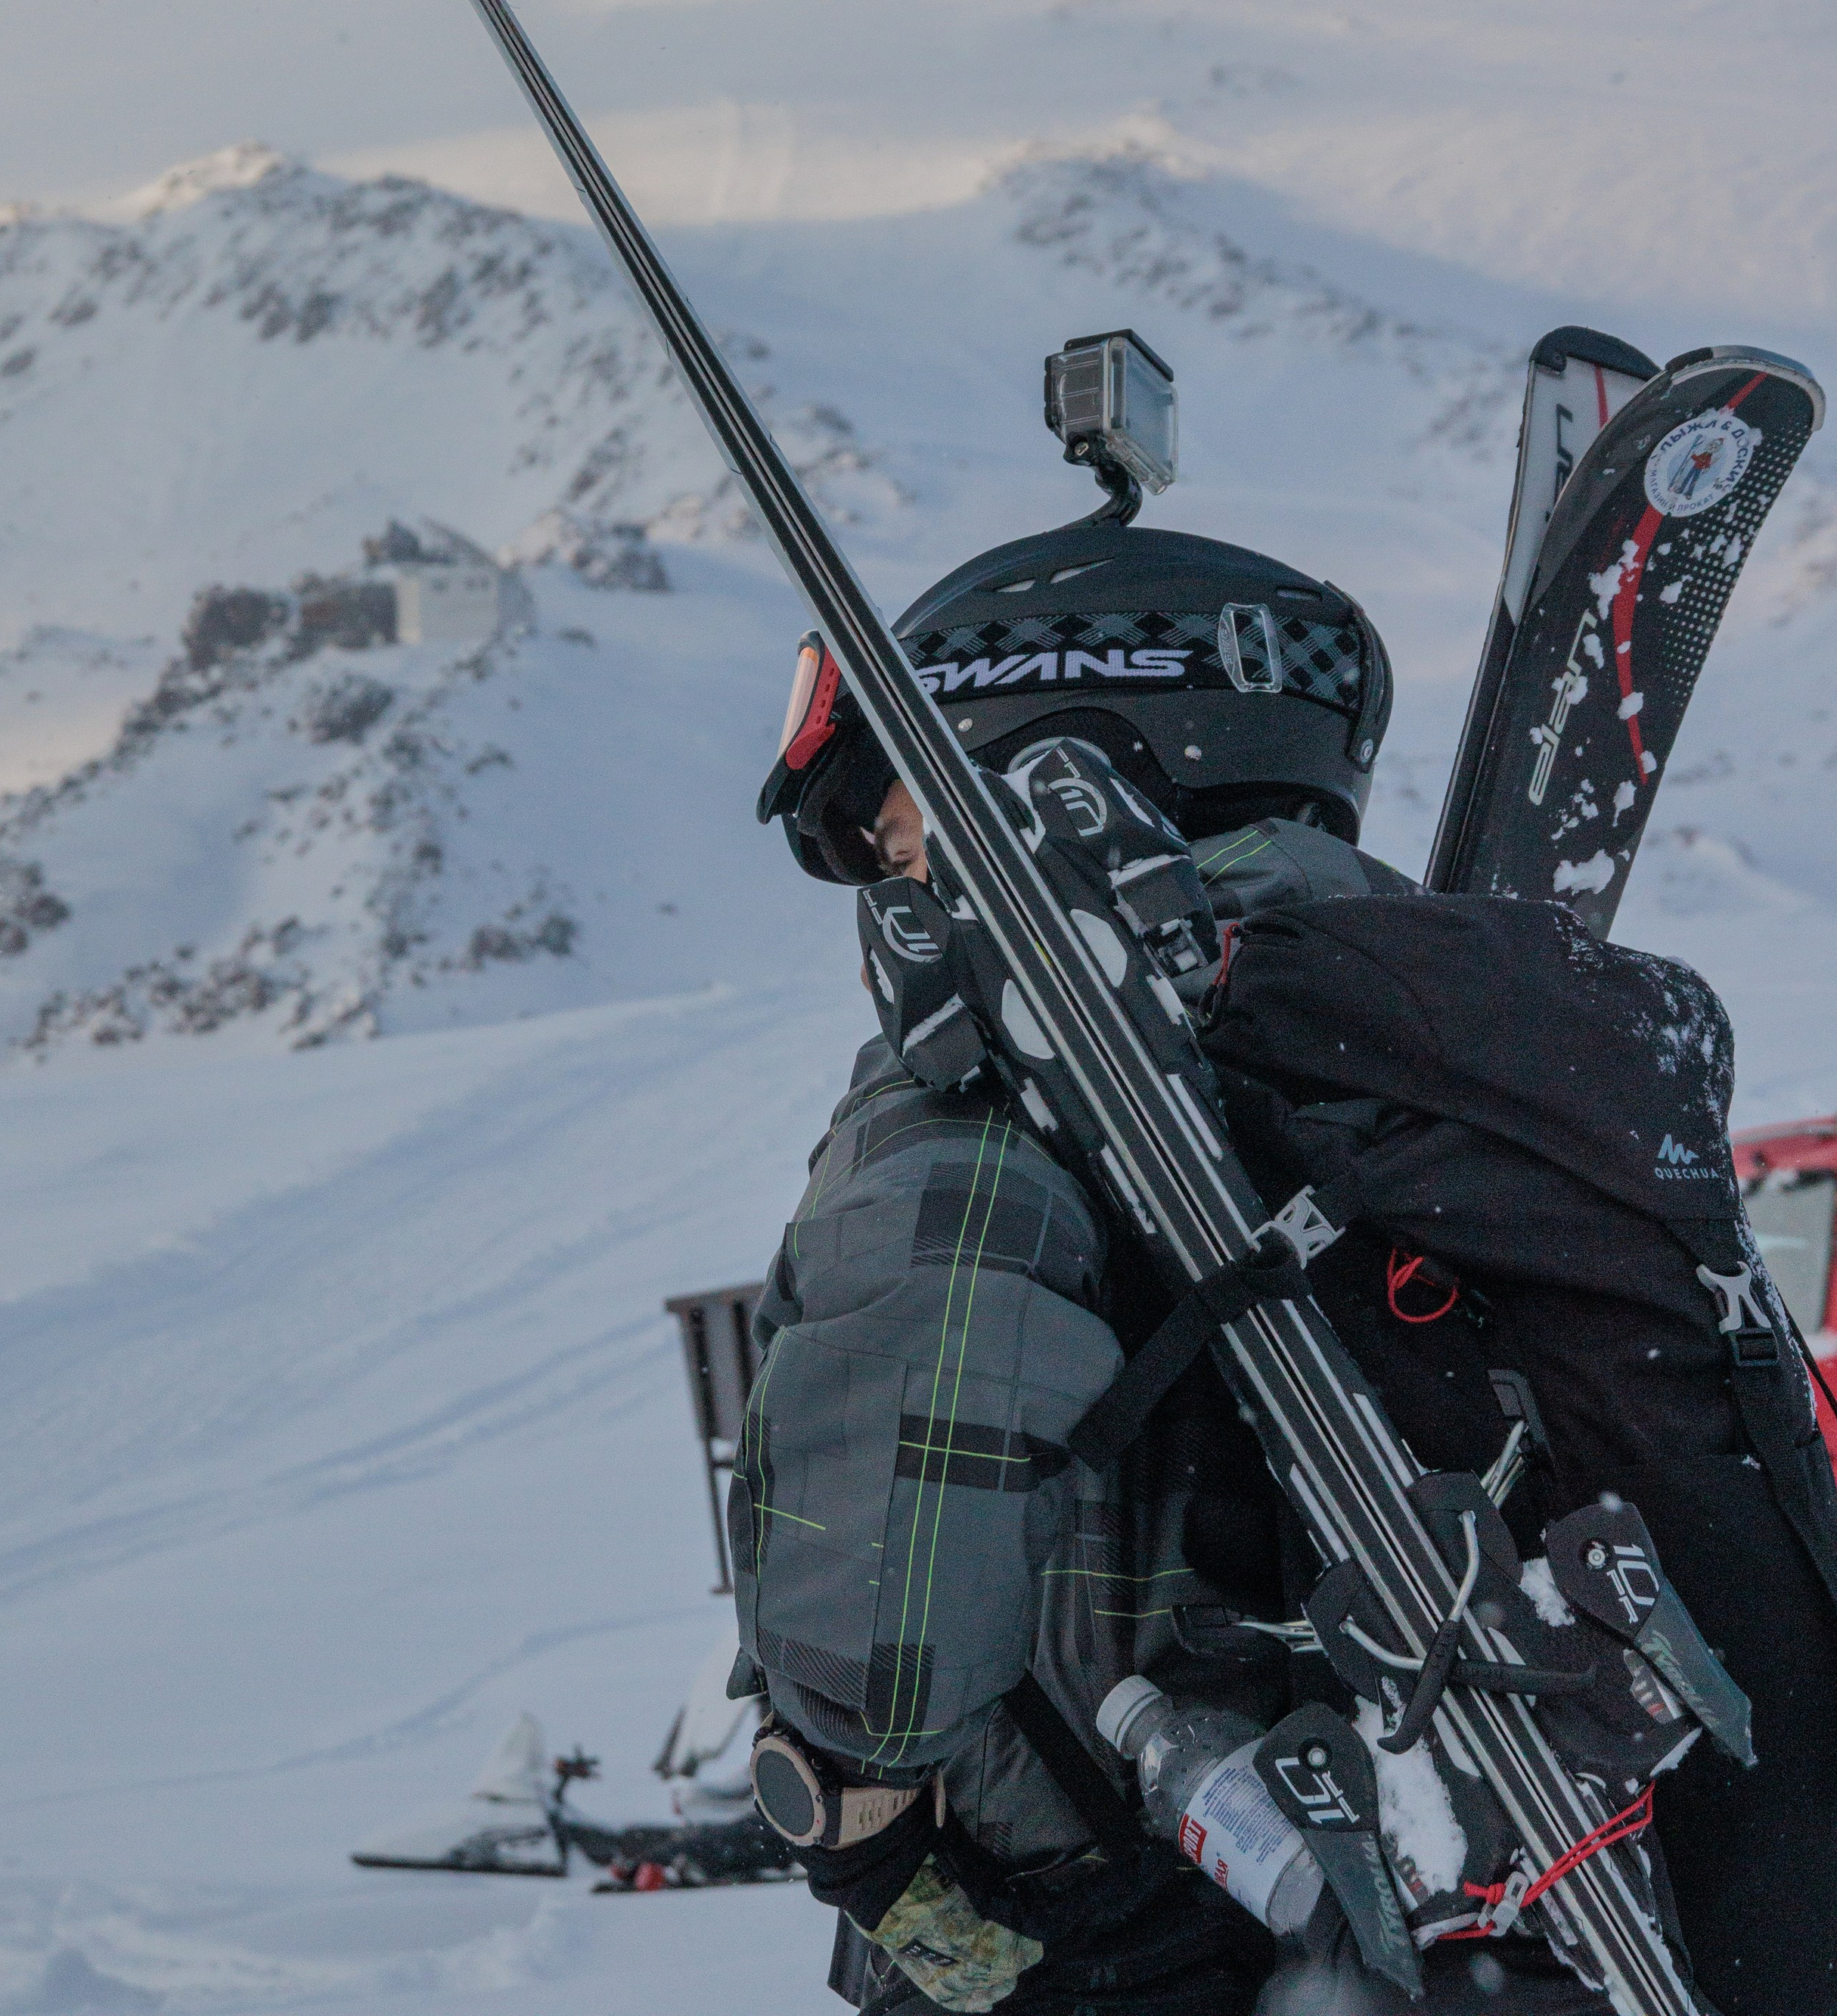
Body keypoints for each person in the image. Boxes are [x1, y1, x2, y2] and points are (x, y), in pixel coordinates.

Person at [730, 512, 1837, 2015]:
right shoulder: (1476, 1052)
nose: (886, 871)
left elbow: (886, 1638)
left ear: (1043, 756)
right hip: (1560, 1913)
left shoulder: (982, 1095)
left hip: (1152, 1940)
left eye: (894, 817)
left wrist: (883, 1867)